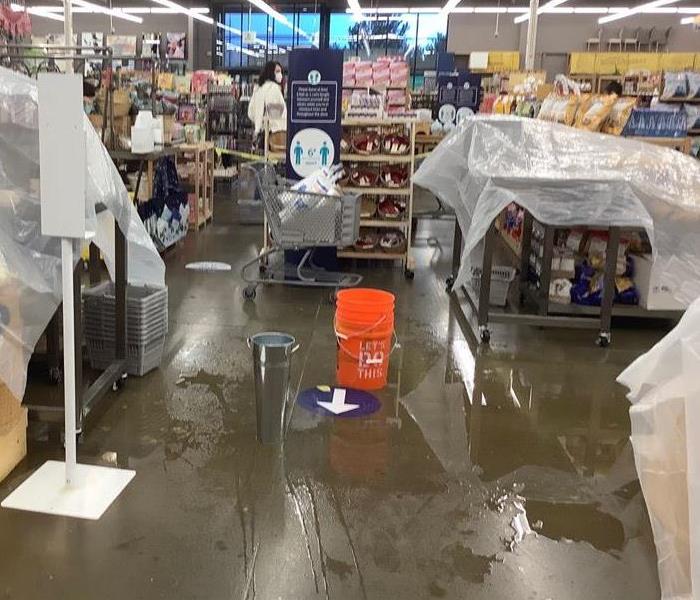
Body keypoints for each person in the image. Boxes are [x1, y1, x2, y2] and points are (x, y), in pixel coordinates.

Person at [248, 61, 287, 149]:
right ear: (271, 72)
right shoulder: (274, 88)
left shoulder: (258, 89)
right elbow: (280, 113)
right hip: (275, 133)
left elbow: (250, 112)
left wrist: (259, 122)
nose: (280, 74)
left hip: (261, 132)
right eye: (277, 71)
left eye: (280, 72)